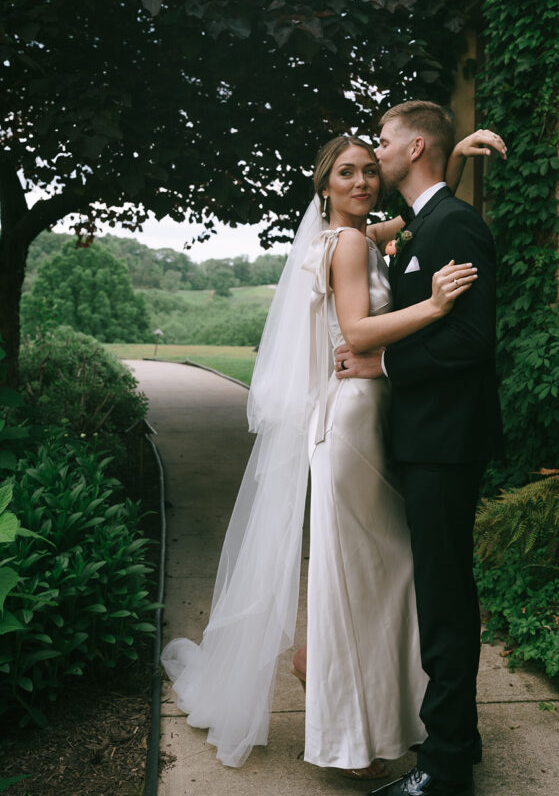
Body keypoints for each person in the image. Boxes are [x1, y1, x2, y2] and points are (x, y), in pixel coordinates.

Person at [161, 121, 505, 780]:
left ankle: (335, 681)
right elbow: (356, 328)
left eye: (368, 170)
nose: (361, 179)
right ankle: (339, 704)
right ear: (324, 186)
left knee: (384, 572)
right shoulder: (347, 242)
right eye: (345, 172)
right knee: (375, 571)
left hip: (371, 418)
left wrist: (450, 162)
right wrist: (433, 306)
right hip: (351, 422)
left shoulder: (362, 236)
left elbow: (423, 222)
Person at [335, 101, 505, 796]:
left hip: (443, 442)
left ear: (413, 147)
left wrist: (387, 367)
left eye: (382, 142)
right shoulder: (431, 221)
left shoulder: (455, 224)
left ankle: (443, 769)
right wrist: (454, 157)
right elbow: (414, 225)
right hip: (423, 441)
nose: (375, 155)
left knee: (443, 600)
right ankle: (456, 740)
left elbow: (470, 340)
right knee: (438, 594)